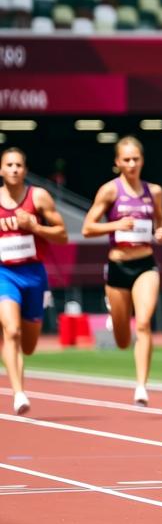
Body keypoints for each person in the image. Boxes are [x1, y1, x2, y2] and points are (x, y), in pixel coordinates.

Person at [81, 136, 162, 406]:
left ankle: (141, 386)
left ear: (142, 161)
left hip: (145, 264)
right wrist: (116, 225)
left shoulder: (154, 191)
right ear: (118, 162)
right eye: (126, 159)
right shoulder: (109, 191)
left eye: (136, 159)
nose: (131, 164)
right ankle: (120, 331)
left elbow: (161, 221)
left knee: (143, 323)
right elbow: (88, 227)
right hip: (118, 265)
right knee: (122, 337)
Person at [0, 147, 68, 415]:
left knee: (28, 344)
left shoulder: (38, 197)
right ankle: (18, 393)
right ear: (1, 170)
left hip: (34, 276)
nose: (15, 169)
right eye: (9, 165)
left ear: (25, 170)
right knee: (12, 331)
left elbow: (62, 235)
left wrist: (35, 226)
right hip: (4, 274)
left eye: (19, 165)